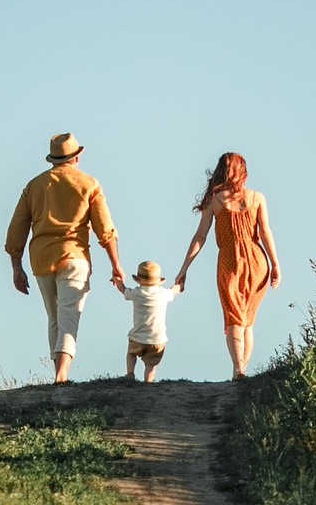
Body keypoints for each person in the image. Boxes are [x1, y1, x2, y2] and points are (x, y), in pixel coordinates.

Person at [4, 132, 123, 385]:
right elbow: (105, 229)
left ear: (53, 159)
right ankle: (62, 375)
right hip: (74, 256)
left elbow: (17, 228)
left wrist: (16, 267)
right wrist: (115, 265)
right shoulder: (89, 184)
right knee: (69, 314)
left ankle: (58, 374)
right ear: (76, 157)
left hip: (42, 258)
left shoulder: (34, 185)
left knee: (54, 317)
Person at [174, 151, 279, 380]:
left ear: (221, 171)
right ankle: (240, 371)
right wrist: (275, 264)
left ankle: (239, 368)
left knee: (234, 318)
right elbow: (265, 232)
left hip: (230, 261)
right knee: (247, 320)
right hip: (258, 261)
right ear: (243, 172)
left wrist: (184, 269)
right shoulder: (257, 198)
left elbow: (200, 237)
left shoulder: (215, 200)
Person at [111, 259, 183, 382]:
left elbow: (123, 290)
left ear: (138, 280)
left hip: (138, 336)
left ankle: (130, 374)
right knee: (150, 366)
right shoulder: (163, 294)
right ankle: (148, 383)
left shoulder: (136, 293)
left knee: (131, 354)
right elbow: (174, 290)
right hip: (157, 339)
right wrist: (180, 285)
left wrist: (117, 280)